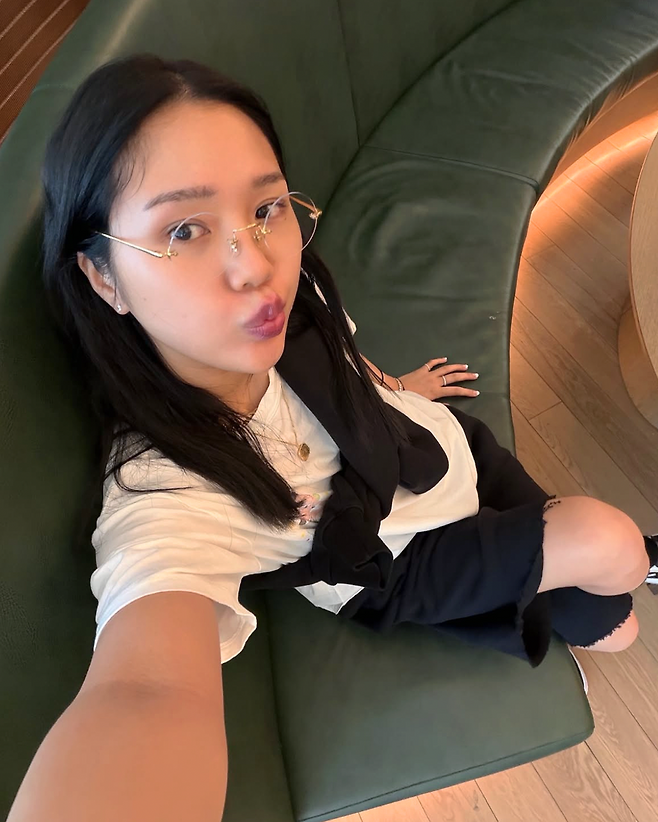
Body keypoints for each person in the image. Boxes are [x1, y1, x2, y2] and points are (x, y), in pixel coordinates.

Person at [8, 53, 657, 821]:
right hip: (397, 563)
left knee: (610, 611)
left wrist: (391, 389)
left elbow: (339, 354)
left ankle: (543, 579)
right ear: (104, 276)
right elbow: (144, 689)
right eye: (184, 229)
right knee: (616, 578)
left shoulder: (293, 284)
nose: (256, 266)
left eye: (266, 206)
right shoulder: (170, 485)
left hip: (434, 447)